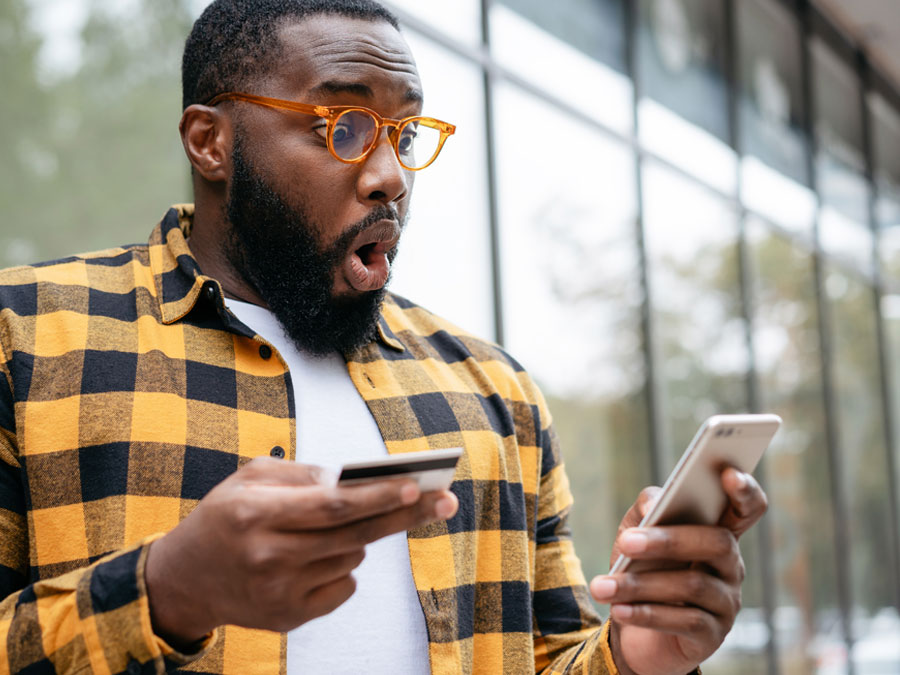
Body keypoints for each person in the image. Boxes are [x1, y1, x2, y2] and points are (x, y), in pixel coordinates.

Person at [0, 1, 768, 673]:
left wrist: (640, 655)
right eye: (346, 126)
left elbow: (547, 657)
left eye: (403, 134)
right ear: (210, 142)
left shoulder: (495, 392)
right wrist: (163, 592)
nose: (390, 173)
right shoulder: (27, 340)